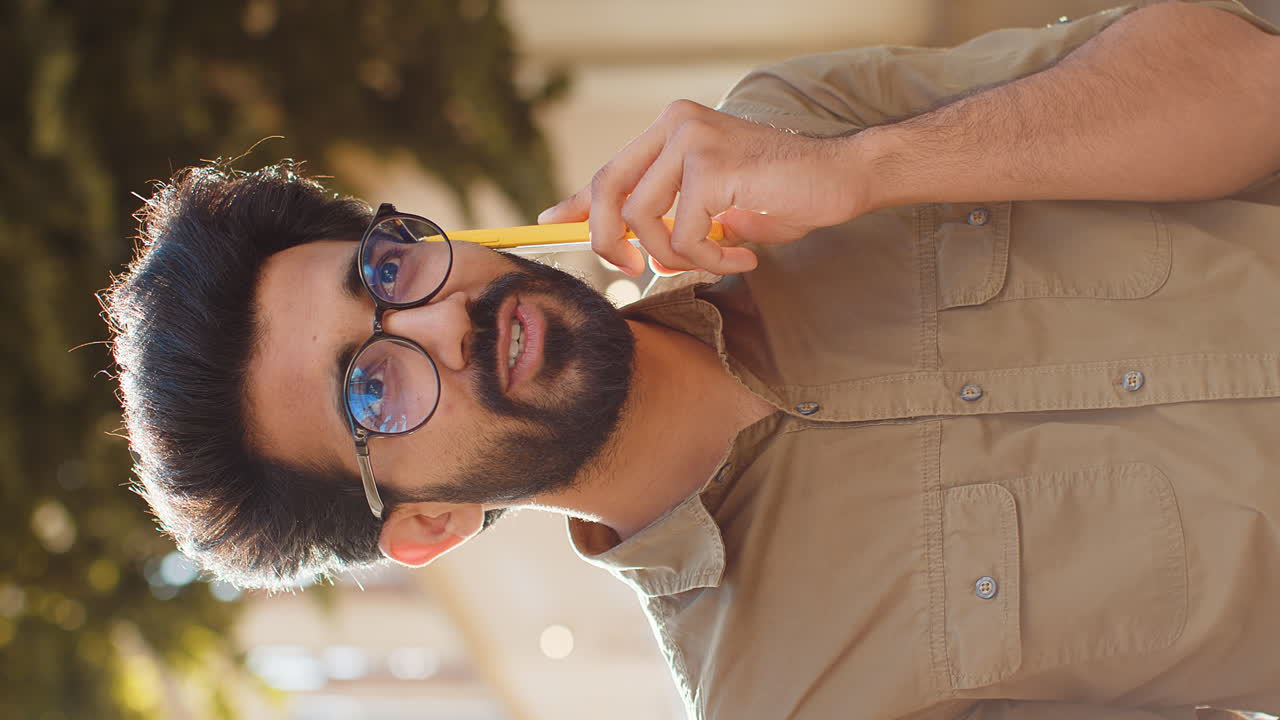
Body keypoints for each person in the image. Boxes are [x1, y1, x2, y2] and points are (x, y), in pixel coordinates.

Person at [103, 0, 1280, 718]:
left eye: (380, 273)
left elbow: (1251, 78)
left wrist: (870, 167)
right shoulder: (788, 704)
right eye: (370, 387)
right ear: (426, 527)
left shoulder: (790, 127)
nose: (438, 322)